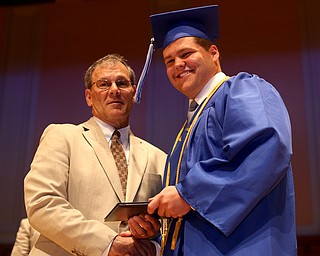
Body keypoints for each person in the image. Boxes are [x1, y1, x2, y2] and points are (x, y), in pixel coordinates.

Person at [144, 5, 297, 256]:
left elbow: (266, 148)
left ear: (213, 53)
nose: (177, 65)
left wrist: (187, 194)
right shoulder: (190, 124)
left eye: (186, 54)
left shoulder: (241, 89)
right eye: (169, 61)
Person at [24, 54, 167, 256]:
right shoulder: (62, 136)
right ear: (89, 97)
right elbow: (43, 204)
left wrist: (153, 239)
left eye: (122, 83)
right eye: (104, 84)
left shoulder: (158, 157)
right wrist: (108, 244)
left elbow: (166, 225)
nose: (114, 90)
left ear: (133, 93)